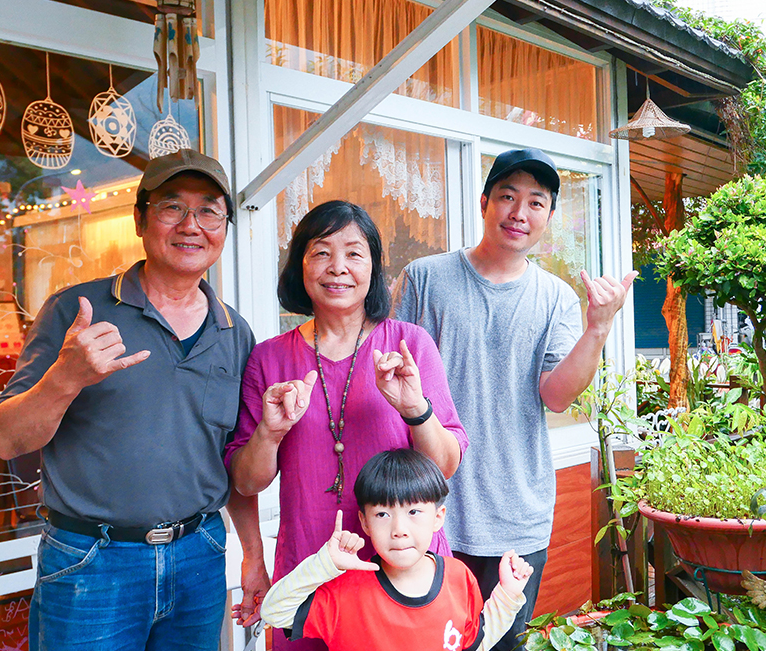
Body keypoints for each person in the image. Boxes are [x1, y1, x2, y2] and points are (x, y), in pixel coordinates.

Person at [0, 149, 269, 650]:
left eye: (208, 211)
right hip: (91, 561)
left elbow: (231, 460)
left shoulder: (234, 331)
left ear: (224, 227)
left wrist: (252, 553)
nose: (191, 225)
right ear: (140, 219)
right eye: (171, 207)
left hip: (200, 555)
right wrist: (65, 378)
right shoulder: (78, 311)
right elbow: (6, 439)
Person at [394, 148, 638, 649]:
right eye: (507, 197)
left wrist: (599, 326)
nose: (519, 213)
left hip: (515, 513)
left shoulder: (556, 298)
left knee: (503, 641)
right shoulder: (426, 277)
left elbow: (557, 396)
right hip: (426, 508)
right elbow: (395, 381)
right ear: (484, 202)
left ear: (548, 217)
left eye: (536, 202)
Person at [225, 200, 468, 651]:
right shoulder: (269, 358)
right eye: (321, 252)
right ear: (300, 265)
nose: (338, 267)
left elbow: (445, 466)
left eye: (354, 253)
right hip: (307, 569)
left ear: (374, 267)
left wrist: (415, 407)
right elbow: (245, 481)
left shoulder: (409, 344)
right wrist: (270, 433)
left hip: (403, 566)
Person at [260, 449, 533, 651]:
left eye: (414, 511)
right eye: (382, 515)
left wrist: (508, 594)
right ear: (364, 522)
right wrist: (323, 564)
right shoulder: (344, 591)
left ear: (438, 517)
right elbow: (273, 612)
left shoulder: (457, 576)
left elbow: (475, 642)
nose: (399, 529)